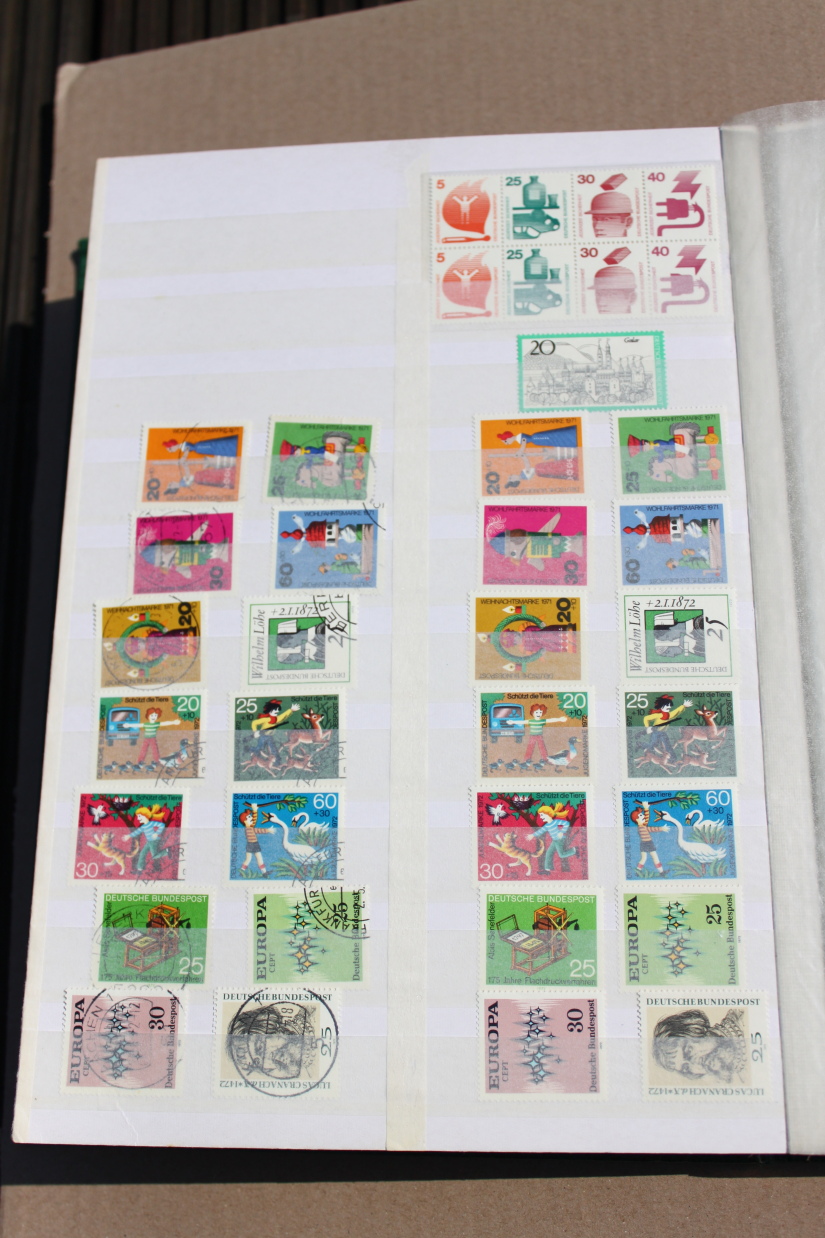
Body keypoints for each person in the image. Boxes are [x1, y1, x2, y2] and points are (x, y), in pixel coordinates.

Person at [651, 1007, 746, 1084]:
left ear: (696, 1029)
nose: (693, 1063)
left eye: (689, 1051)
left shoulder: (742, 1016)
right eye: (686, 1067)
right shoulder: (731, 1079)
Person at [528, 802, 578, 872]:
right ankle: (548, 868)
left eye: (542, 815)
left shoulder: (555, 821)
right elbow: (541, 831)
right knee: (549, 853)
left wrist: (562, 832)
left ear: (547, 814)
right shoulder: (547, 825)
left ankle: (574, 850)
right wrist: (533, 835)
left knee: (561, 855)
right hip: (555, 841)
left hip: (560, 840)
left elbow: (566, 823)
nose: (541, 817)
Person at [127, 804, 170, 874]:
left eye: (139, 816)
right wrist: (129, 836)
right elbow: (137, 832)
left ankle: (167, 851)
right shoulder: (143, 826)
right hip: (149, 841)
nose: (138, 818)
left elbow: (162, 825)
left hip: (154, 841)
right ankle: (139, 869)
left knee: (154, 856)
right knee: (142, 853)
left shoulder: (151, 823)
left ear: (145, 816)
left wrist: (157, 833)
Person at [237, 803, 276, 878]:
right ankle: (242, 871)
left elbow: (254, 821)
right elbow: (258, 830)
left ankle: (264, 872)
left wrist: (255, 810)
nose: (251, 818)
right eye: (249, 818)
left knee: (253, 859)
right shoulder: (249, 829)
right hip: (252, 844)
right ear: (245, 821)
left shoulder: (249, 827)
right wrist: (268, 830)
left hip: (253, 844)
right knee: (251, 859)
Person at [630, 801, 669, 875]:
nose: (643, 817)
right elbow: (650, 828)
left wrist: (646, 808)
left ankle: (638, 872)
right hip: (648, 843)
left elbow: (646, 819)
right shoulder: (642, 827)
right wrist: (661, 828)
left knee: (644, 858)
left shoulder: (641, 826)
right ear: (637, 820)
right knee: (654, 857)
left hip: (644, 843)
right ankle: (661, 872)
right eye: (641, 816)